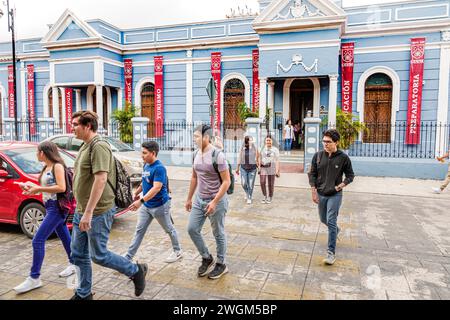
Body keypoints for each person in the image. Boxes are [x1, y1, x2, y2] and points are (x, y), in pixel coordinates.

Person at [70, 111, 147, 300]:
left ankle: (136, 271)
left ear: (88, 126)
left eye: (75, 124)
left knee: (99, 255)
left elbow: (101, 179)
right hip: (82, 210)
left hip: (97, 212)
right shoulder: (85, 146)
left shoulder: (99, 146)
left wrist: (88, 213)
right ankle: (84, 293)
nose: (72, 127)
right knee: (78, 253)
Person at [13, 141, 76, 294]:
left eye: (37, 151)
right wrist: (30, 185)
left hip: (57, 208)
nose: (36, 154)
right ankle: (74, 263)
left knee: (38, 240)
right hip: (49, 206)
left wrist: (38, 188)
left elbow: (62, 187)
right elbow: (47, 186)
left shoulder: (57, 166)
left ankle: (34, 278)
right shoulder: (46, 167)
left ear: (44, 152)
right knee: (63, 234)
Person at [125, 141, 183, 263]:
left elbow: (156, 188)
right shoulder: (146, 165)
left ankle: (177, 251)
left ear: (153, 153)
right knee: (139, 231)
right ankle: (128, 257)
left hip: (160, 206)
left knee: (169, 229)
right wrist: (137, 192)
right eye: (142, 152)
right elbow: (145, 180)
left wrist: (140, 201)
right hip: (146, 206)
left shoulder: (159, 168)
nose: (142, 155)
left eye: (145, 153)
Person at [185, 124, 231, 280]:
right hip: (199, 199)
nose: (194, 139)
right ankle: (206, 257)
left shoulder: (218, 155)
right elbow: (194, 177)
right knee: (191, 229)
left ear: (206, 137)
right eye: (194, 136)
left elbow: (226, 182)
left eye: (197, 136)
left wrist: (214, 202)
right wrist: (189, 198)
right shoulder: (195, 154)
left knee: (218, 232)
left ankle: (221, 263)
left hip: (217, 200)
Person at [308, 129, 355, 266]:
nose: (325, 144)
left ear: (336, 142)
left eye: (328, 142)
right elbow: (312, 174)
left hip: (335, 195)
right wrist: (313, 191)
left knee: (331, 220)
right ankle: (335, 231)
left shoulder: (343, 158)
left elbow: (350, 176)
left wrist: (340, 186)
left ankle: (330, 253)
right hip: (321, 193)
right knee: (323, 219)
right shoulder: (318, 156)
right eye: (324, 141)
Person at [235, 136, 259, 204]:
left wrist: (258, 164)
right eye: (249, 140)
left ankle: (249, 197)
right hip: (243, 168)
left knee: (250, 184)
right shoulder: (243, 148)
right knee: (243, 183)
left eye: (251, 140)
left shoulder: (254, 148)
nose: (251, 141)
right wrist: (237, 167)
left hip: (252, 169)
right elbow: (239, 157)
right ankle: (248, 193)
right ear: (246, 141)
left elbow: (258, 157)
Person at [258, 136, 280, 204]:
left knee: (271, 183)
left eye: (269, 140)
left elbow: (277, 160)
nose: (268, 142)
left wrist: (277, 170)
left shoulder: (275, 149)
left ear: (272, 141)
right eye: (267, 140)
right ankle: (264, 195)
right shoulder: (262, 148)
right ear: (265, 141)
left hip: (272, 166)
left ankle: (270, 196)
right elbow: (259, 158)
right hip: (263, 166)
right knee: (262, 181)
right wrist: (259, 166)